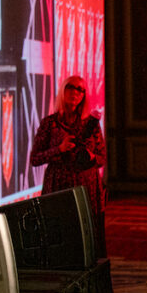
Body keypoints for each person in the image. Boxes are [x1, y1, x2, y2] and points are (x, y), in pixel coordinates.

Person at [30, 75, 107, 256]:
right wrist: (59, 149)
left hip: (87, 188)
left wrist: (91, 156)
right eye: (71, 87)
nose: (75, 92)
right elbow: (35, 159)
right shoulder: (49, 123)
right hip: (59, 187)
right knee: (60, 237)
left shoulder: (91, 125)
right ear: (63, 90)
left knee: (86, 237)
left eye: (81, 89)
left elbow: (102, 158)